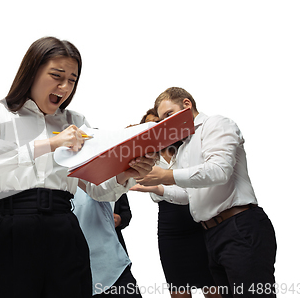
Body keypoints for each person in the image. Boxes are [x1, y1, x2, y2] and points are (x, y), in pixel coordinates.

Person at [0, 36, 157, 298]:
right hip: (12, 226)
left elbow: (98, 190)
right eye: (57, 76)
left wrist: (124, 175)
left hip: (64, 227)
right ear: (32, 71)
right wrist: (49, 144)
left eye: (72, 80)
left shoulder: (75, 121)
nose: (65, 87)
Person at [137, 87, 277, 298]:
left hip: (239, 226)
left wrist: (166, 176)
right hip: (211, 235)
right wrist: (158, 188)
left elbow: (219, 171)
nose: (166, 123)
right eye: (163, 119)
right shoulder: (184, 148)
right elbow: (189, 194)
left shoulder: (216, 124)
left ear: (187, 104)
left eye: (169, 114)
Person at [131, 109, 220, 298]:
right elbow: (157, 196)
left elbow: (193, 190)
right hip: (170, 229)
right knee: (179, 290)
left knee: (213, 287)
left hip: (200, 224)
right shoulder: (146, 158)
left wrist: (160, 187)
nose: (155, 127)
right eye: (149, 124)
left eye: (159, 122)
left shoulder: (186, 148)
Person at [73, 187, 142, 297]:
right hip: (78, 264)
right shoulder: (61, 185)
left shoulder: (110, 182)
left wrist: (119, 219)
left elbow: (125, 213)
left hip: (112, 263)